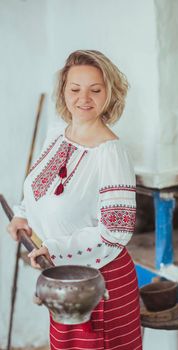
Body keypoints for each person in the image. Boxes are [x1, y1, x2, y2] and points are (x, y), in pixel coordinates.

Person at [8, 50, 143, 350]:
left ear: (110, 94)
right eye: (75, 89)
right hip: (64, 278)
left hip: (99, 282)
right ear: (63, 91)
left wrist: (54, 249)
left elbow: (115, 233)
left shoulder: (111, 153)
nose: (84, 98)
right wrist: (22, 215)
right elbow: (37, 189)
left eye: (95, 90)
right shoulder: (57, 134)